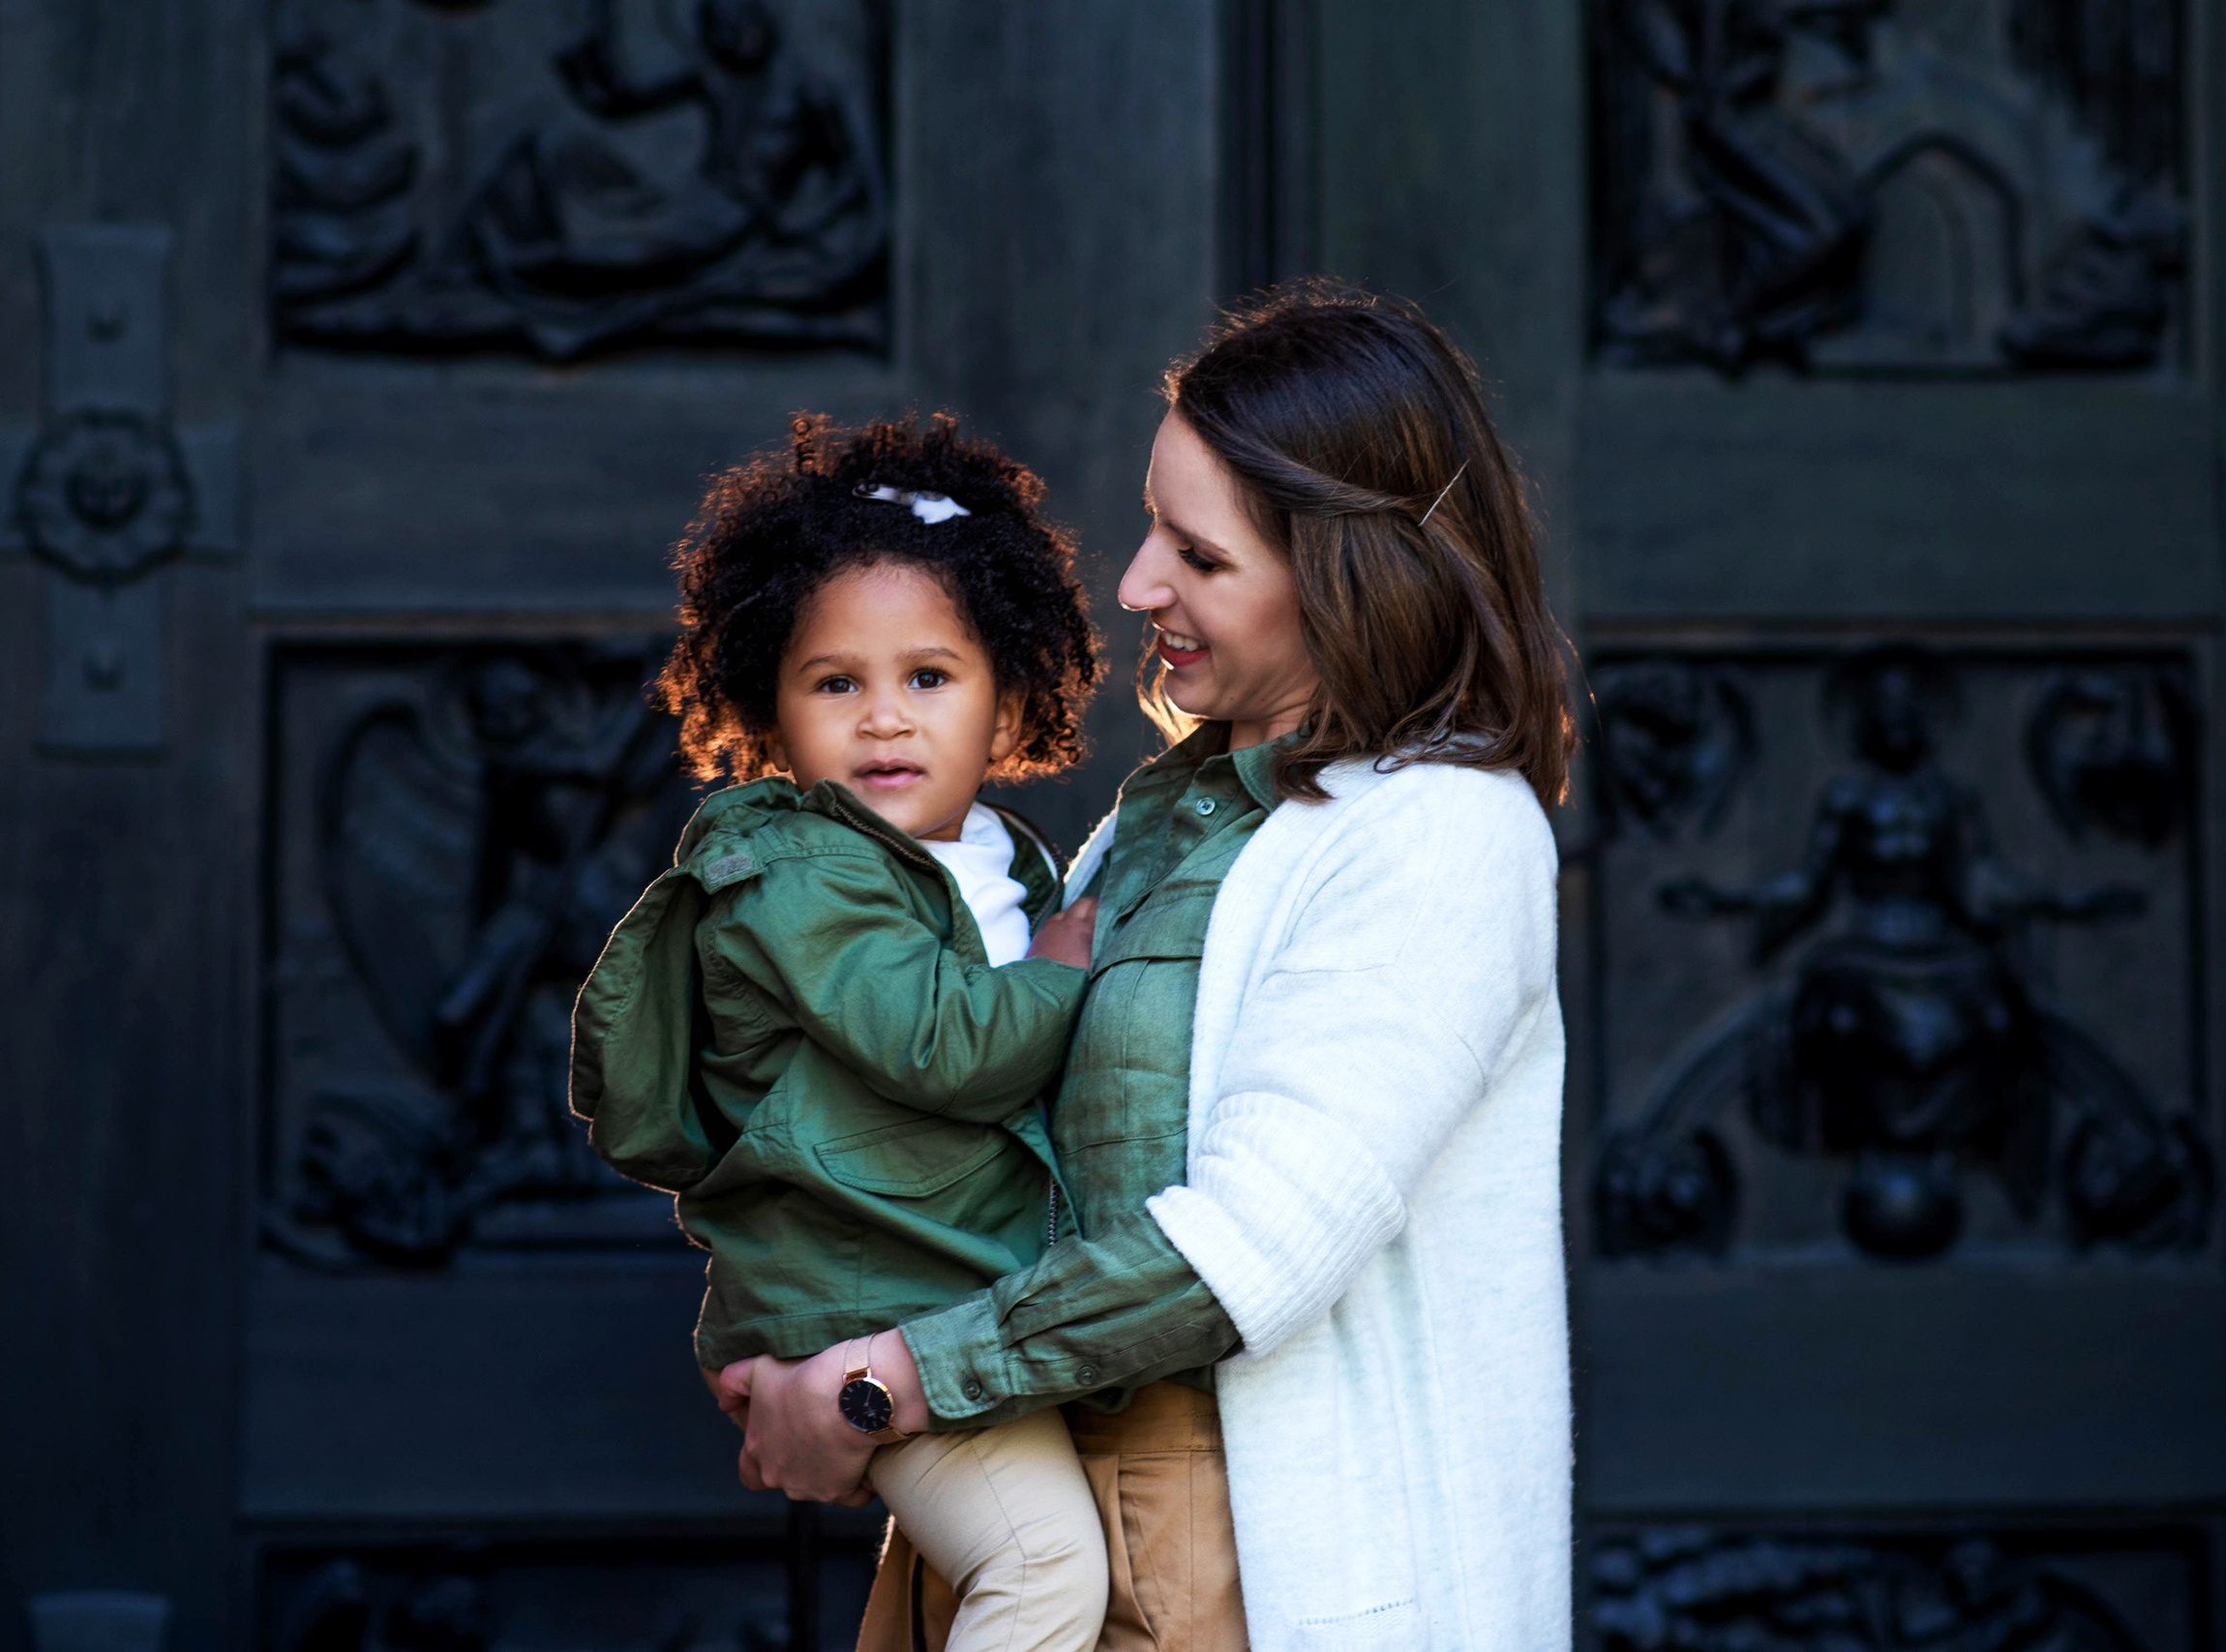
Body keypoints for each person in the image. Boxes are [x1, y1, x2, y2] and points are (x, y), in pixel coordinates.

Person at [719, 285, 1579, 1652]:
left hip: (1238, 1561)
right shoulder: (1168, 812)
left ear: (1352, 574)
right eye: (1150, 524)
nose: (1134, 585)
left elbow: (1244, 1253)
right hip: (1029, 1511)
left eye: (1200, 554)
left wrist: (879, 1388)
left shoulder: (1440, 835)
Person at [570, 414, 1116, 1652]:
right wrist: (1062, 971)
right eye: (836, 683)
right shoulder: (803, 872)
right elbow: (942, 1047)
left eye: (928, 677)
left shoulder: (1000, 858)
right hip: (867, 1306)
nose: (883, 719)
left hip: (953, 1292)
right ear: (769, 716)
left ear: (1007, 706)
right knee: (1039, 1567)